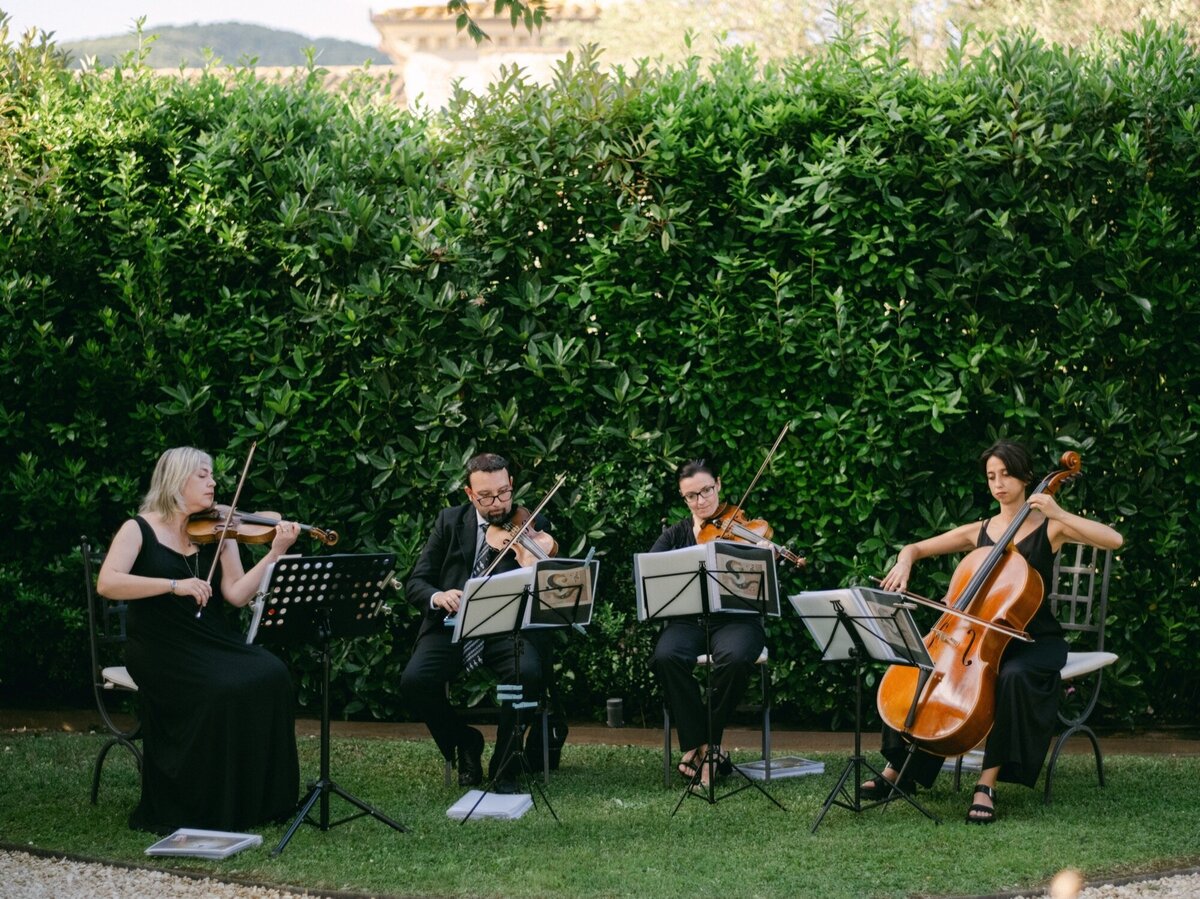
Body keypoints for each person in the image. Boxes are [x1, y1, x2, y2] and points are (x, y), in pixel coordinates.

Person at [863, 439, 1123, 823]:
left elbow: (1115, 539)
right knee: (922, 663)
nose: (998, 484)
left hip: (1033, 641)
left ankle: (987, 783)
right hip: (975, 638)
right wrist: (904, 561)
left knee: (1011, 677)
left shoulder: (1050, 528)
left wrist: (1059, 511)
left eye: (1006, 475)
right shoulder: (981, 530)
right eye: (991, 476)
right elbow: (915, 548)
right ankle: (899, 770)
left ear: (1025, 477)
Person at [96, 446, 301, 833]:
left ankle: (259, 800)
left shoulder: (219, 529)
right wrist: (174, 584)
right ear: (176, 482)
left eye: (212, 476)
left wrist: (274, 553)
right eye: (203, 476)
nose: (213, 482)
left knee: (273, 673)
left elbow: (236, 593)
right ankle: (203, 803)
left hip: (210, 639)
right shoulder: (138, 528)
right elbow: (108, 583)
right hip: (158, 646)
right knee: (220, 689)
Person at [401, 452, 551, 793]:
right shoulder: (449, 521)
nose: (497, 503)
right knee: (414, 682)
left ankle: (505, 766)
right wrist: (438, 596)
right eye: (485, 496)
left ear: (511, 484)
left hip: (506, 629)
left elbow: (550, 582)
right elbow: (417, 582)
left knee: (527, 672)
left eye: (503, 493)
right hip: (454, 627)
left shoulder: (532, 522)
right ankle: (465, 741)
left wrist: (535, 564)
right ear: (470, 494)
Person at [650, 458, 768, 790]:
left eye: (706, 491)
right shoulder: (675, 534)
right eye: (691, 496)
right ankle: (705, 747)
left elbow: (765, 586)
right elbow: (649, 571)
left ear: (718, 485)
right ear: (683, 497)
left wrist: (765, 557)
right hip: (689, 621)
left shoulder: (744, 530)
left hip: (737, 619)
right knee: (665, 656)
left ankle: (707, 746)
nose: (701, 501)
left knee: (736, 658)